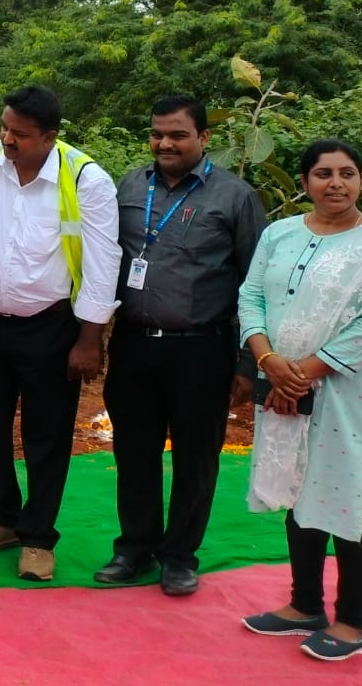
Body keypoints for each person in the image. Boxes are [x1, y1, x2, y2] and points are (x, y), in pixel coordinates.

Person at [238, 139, 362, 662]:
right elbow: (250, 295)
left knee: (349, 500)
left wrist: (297, 374)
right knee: (300, 489)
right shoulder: (279, 234)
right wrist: (267, 359)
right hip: (282, 387)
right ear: (305, 182)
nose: (336, 183)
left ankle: (354, 621)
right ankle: (304, 605)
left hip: (352, 394)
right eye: (323, 173)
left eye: (348, 172)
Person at [95, 95, 265, 596]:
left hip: (202, 349)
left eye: (178, 135)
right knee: (134, 451)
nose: (165, 143)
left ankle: (179, 555)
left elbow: (256, 283)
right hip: (133, 345)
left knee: (196, 456)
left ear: (204, 138)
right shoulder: (127, 185)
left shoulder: (235, 196)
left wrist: (245, 362)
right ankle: (134, 548)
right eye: (156, 134)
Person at [0, 85, 120, 582]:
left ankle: (37, 537)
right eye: (5, 127)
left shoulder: (86, 180)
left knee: (46, 434)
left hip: (52, 327)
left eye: (20, 134)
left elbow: (103, 258)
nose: (8, 140)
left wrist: (89, 339)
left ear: (50, 136)